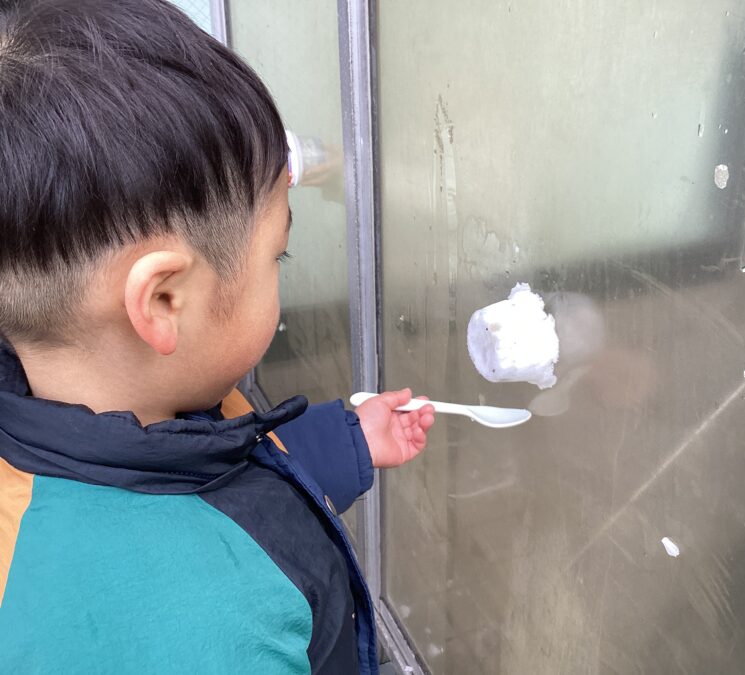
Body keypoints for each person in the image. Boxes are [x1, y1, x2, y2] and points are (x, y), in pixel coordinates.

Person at [0, 1, 435, 673]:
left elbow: (214, 479)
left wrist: (343, 441)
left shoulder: (94, 416)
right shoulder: (208, 639)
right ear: (164, 301)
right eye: (278, 256)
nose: (279, 268)